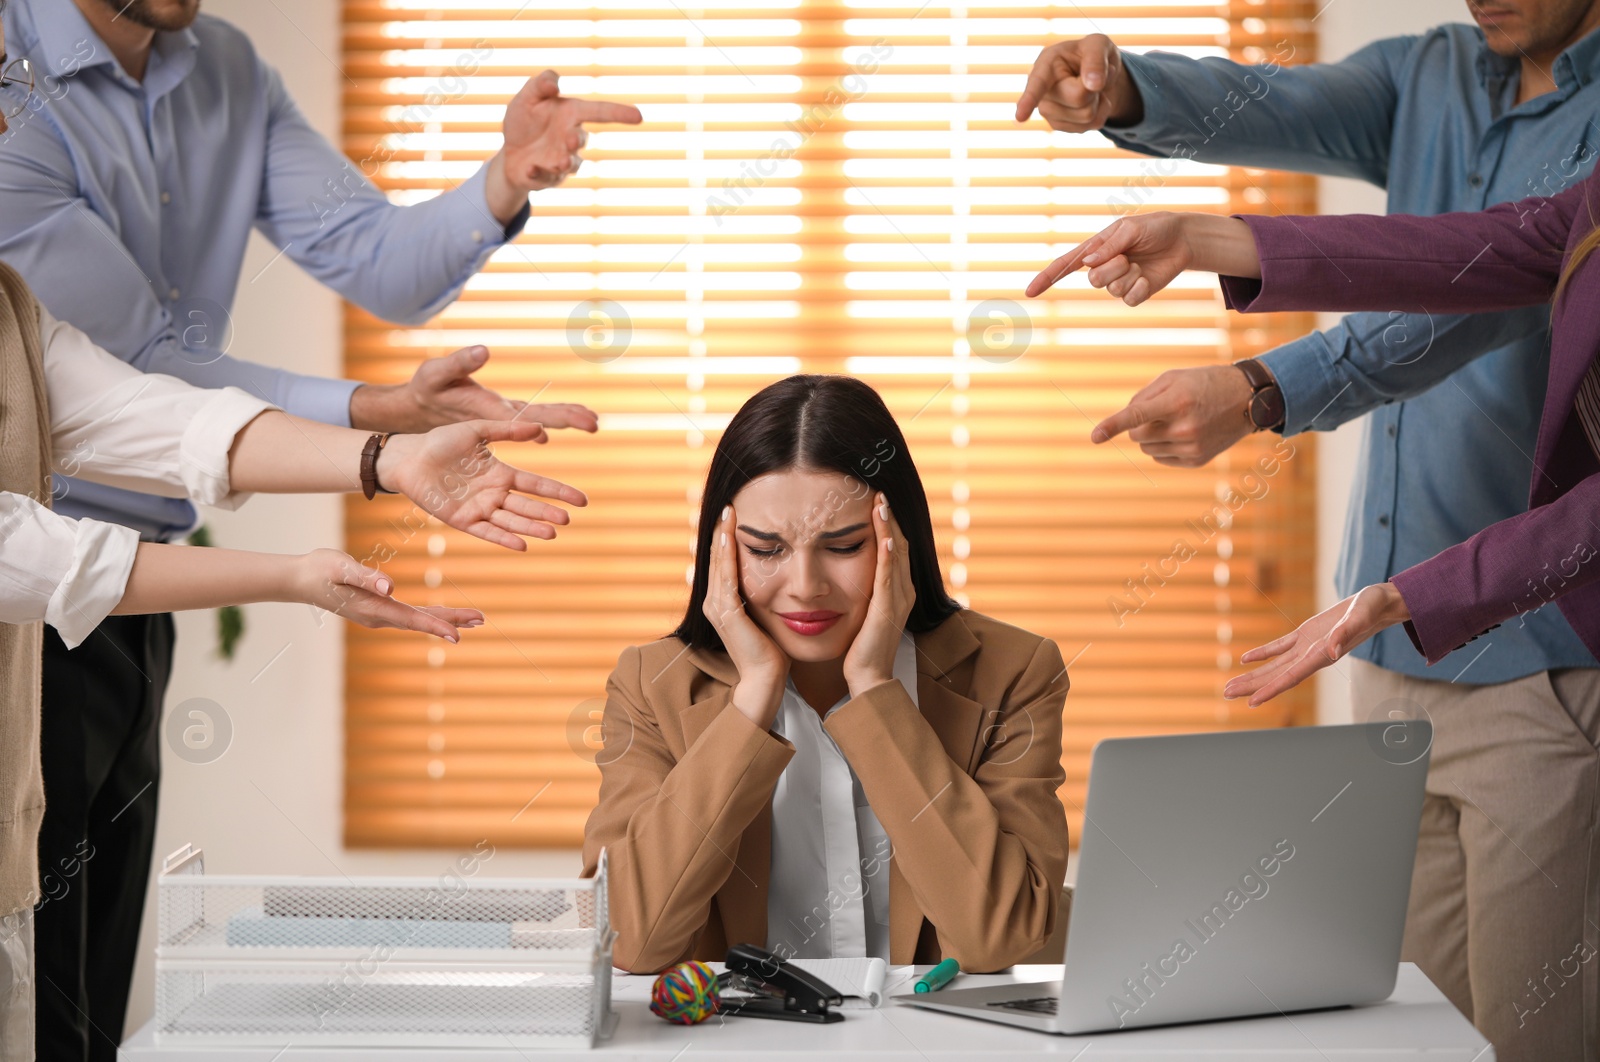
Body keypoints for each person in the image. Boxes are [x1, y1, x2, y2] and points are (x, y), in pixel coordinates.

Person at [0, 0, 639, 1053]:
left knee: (77, 997)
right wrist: (308, 542)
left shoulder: (218, 76)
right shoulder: (26, 81)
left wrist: (387, 457)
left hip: (132, 596)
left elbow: (122, 403)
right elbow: (61, 508)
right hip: (57, 601)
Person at [1015, 8, 1600, 1059]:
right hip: (1379, 649)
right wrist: (1132, 94)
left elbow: (1484, 303)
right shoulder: (1429, 76)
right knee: (1413, 1033)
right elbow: (1457, 240)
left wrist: (1261, 388)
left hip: (1538, 662)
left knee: (1532, 1039)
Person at [0, 249, 587, 1058]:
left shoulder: (9, 307)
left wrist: (391, 458)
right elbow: (23, 555)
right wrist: (290, 576)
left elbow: (155, 418)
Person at [580, 375, 1069, 974]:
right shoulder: (651, 685)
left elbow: (1001, 938)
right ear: (722, 551)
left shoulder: (1014, 672)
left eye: (843, 546)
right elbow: (628, 942)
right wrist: (752, 701)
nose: (806, 587)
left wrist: (876, 694)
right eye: (765, 550)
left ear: (897, 541)